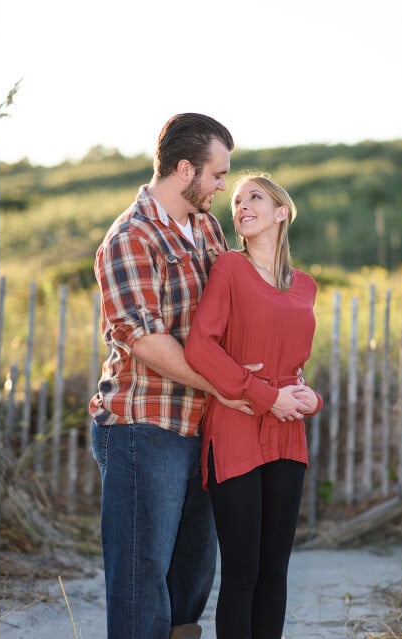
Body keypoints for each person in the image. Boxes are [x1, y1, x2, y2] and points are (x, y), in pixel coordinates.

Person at [88, 113, 309, 639]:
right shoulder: (130, 238)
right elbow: (145, 341)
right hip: (146, 427)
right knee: (142, 581)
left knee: (192, 579)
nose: (224, 187)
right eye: (217, 174)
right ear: (185, 169)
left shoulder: (205, 228)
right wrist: (235, 388)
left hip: (207, 429)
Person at [186, 176, 322, 639]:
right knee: (242, 572)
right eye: (237, 201)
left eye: (255, 198)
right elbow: (201, 348)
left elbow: (296, 365)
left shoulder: (305, 285)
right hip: (239, 425)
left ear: (281, 211)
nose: (241, 205)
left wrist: (310, 397)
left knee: (275, 572)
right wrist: (267, 397)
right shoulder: (228, 268)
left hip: (288, 432)